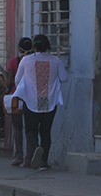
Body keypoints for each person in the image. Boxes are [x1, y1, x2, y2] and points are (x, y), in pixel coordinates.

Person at [14, 34, 69, 169]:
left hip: (31, 100)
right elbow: (64, 78)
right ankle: (43, 161)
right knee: (46, 131)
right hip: (49, 101)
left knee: (31, 131)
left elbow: (17, 79)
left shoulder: (26, 60)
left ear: (34, 46)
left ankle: (34, 153)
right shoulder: (55, 60)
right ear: (48, 46)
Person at [5, 37, 33, 166]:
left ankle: (19, 156)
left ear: (19, 49)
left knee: (17, 127)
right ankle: (30, 156)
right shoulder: (33, 61)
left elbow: (9, 81)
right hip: (30, 97)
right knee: (30, 128)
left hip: (17, 97)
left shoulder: (13, 62)